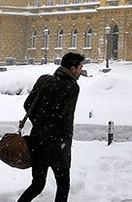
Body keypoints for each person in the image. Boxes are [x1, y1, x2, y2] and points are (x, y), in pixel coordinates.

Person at [18, 52, 85, 202]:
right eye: (80, 67)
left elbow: (27, 104)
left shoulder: (44, 80)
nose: (82, 70)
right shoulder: (72, 87)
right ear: (72, 68)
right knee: (63, 185)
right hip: (57, 146)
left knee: (37, 184)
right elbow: (67, 117)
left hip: (38, 141)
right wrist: (64, 138)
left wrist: (41, 123)